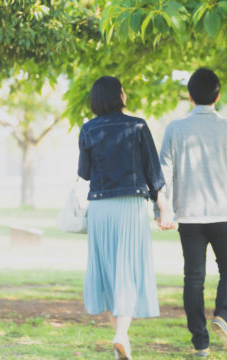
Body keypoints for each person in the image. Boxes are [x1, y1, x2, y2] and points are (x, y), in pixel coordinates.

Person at [154, 68, 227, 358]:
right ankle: (223, 317)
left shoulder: (175, 128)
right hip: (225, 215)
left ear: (190, 97)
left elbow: (163, 174)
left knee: (193, 279)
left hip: (190, 217)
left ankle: (200, 344)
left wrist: (162, 209)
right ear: (218, 96)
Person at [78, 76, 170, 360]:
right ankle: (121, 335)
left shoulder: (88, 129)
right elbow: (154, 173)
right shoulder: (138, 125)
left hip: (100, 209)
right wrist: (163, 209)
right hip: (130, 206)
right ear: (118, 95)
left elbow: (85, 174)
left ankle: (122, 341)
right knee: (127, 271)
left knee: (106, 274)